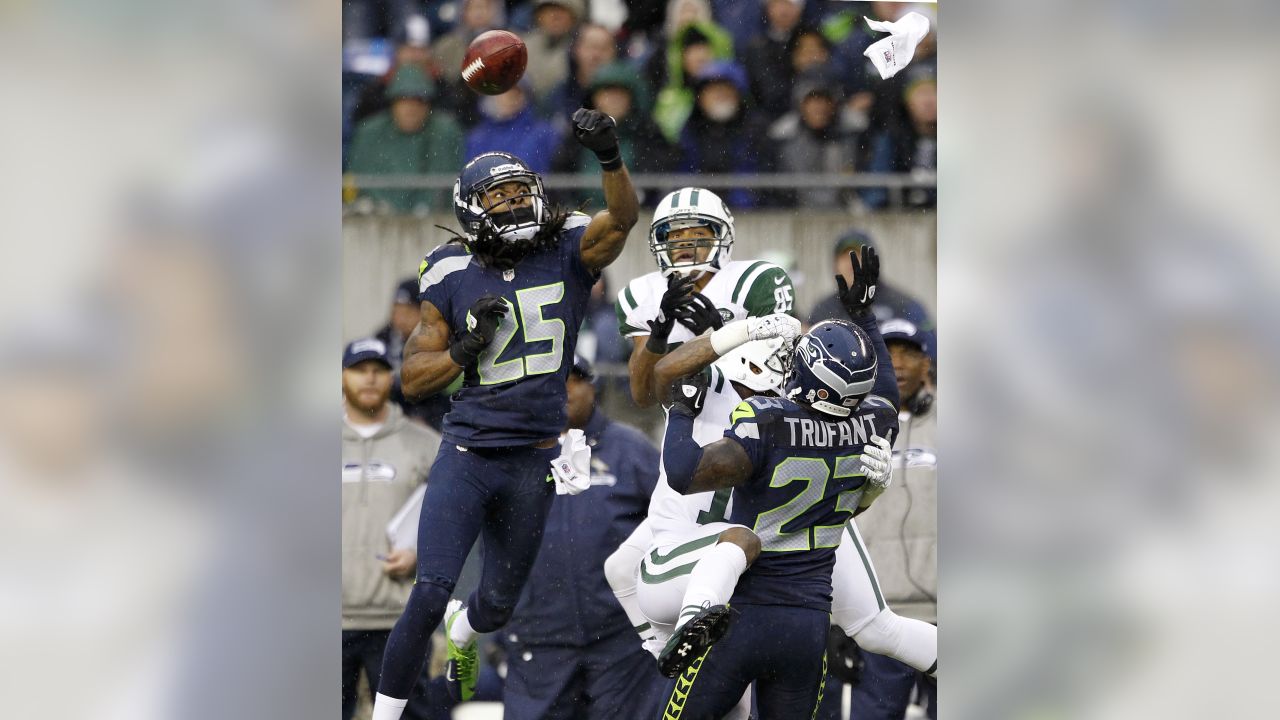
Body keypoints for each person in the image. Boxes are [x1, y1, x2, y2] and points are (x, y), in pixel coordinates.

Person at [370, 108, 639, 720]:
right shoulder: (450, 267)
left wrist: (609, 158)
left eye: (523, 192)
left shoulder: (568, 244)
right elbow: (411, 379)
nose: (516, 204)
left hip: (536, 457)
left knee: (495, 606)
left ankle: (472, 627)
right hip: (467, 453)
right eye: (501, 196)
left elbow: (621, 218)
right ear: (471, 207)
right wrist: (465, 350)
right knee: (431, 591)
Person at [651, 315, 900, 718]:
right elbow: (888, 392)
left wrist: (681, 411)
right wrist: (869, 322)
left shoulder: (766, 422)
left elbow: (682, 473)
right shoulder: (875, 424)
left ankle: (694, 616)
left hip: (744, 615)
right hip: (808, 624)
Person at [500, 357, 666, 719]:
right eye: (553, 380)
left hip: (621, 636)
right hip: (538, 634)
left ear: (592, 387)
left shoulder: (630, 449)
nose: (563, 389)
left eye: (573, 380)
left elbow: (673, 521)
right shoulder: (511, 453)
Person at [341, 338, 442, 720]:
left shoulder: (425, 445)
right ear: (341, 377)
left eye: (379, 370)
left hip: (399, 619)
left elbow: (453, 523)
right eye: (359, 369)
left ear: (392, 377)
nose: (369, 378)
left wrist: (420, 555)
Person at [842, 316, 938, 720]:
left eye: (909, 354)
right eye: (889, 353)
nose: (898, 363)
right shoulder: (847, 429)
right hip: (877, 619)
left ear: (927, 365)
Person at [551, 61, 675, 208]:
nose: (613, 100)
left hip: (637, 219)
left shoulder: (649, 135)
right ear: (595, 99)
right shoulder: (577, 135)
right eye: (606, 94)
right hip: (583, 219)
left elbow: (657, 181)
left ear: (631, 99)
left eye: (620, 95)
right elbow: (559, 180)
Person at [807, 230, 937, 367]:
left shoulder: (904, 304)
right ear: (835, 265)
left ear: (873, 261)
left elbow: (931, 353)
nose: (851, 263)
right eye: (844, 257)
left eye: (858, 255)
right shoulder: (822, 309)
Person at [346, 65, 465, 214]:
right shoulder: (369, 133)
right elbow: (354, 186)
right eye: (403, 101)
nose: (411, 109)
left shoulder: (445, 132)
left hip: (432, 225)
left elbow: (447, 193)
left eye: (418, 101)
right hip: (376, 224)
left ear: (428, 105)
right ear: (393, 104)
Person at [677, 61, 775, 209]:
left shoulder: (756, 130)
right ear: (700, 98)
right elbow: (681, 177)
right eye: (712, 90)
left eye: (725, 89)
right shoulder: (689, 131)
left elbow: (766, 183)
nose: (719, 96)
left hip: (749, 216)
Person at [768, 68, 857, 208]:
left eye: (824, 100)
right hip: (794, 217)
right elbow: (779, 192)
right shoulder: (782, 138)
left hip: (843, 214)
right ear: (801, 104)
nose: (819, 108)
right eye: (812, 100)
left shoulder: (853, 135)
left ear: (834, 104)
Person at [465, 81, 562, 175]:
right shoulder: (477, 137)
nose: (508, 97)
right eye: (502, 91)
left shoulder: (544, 133)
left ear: (525, 96)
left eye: (515, 92)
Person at [540, 23, 621, 123]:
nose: (596, 55)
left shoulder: (626, 98)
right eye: (591, 47)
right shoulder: (558, 97)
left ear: (614, 53)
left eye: (604, 48)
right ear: (576, 50)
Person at [741, 0, 807, 121]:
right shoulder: (757, 47)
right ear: (767, 9)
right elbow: (768, 92)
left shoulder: (813, 40)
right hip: (772, 117)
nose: (783, 10)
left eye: (788, 4)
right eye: (777, 4)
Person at [524, 0, 585, 101]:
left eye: (561, 10)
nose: (555, 16)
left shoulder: (582, 47)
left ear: (574, 17)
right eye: (549, 10)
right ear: (539, 16)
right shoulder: (522, 45)